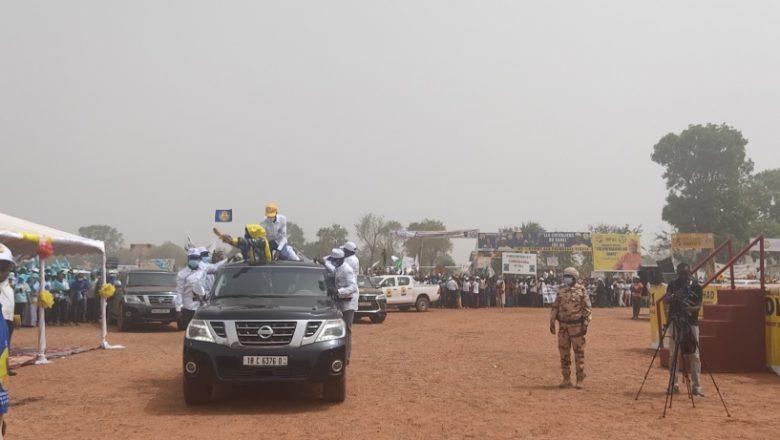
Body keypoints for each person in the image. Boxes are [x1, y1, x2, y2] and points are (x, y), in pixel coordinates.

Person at [665, 263, 704, 397]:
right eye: (680, 274)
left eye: (685, 274)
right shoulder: (673, 284)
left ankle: (697, 386)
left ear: (690, 272)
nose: (683, 277)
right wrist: (676, 295)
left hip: (691, 323)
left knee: (695, 355)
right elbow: (667, 299)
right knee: (673, 355)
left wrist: (688, 309)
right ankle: (673, 384)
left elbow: (698, 306)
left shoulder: (696, 287)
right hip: (675, 322)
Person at [549, 267, 591, 389]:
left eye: (569, 276)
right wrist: (552, 321)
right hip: (563, 327)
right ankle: (566, 378)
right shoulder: (561, 290)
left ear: (575, 278)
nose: (566, 278)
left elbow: (587, 309)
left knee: (579, 353)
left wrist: (586, 324)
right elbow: (555, 307)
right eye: (565, 276)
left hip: (577, 327)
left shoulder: (581, 290)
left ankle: (580, 379)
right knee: (564, 353)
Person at [325, 249, 358, 363]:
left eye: (334, 260)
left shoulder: (347, 270)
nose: (333, 262)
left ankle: (346, 357)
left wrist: (338, 291)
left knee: (347, 330)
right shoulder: (337, 268)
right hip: (339, 302)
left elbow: (353, 287)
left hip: (348, 304)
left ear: (340, 259)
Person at [175, 249, 207, 330]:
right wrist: (178, 309)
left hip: (201, 307)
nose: (194, 260)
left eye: (196, 258)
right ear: (188, 259)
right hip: (187, 308)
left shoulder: (202, 272)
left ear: (199, 259)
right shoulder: (182, 274)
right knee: (187, 331)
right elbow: (179, 292)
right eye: (192, 258)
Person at [0, 246, 15, 379]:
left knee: (6, 345)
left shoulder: (7, 284)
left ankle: (6, 366)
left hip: (7, 318)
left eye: (5, 268)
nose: (2, 271)